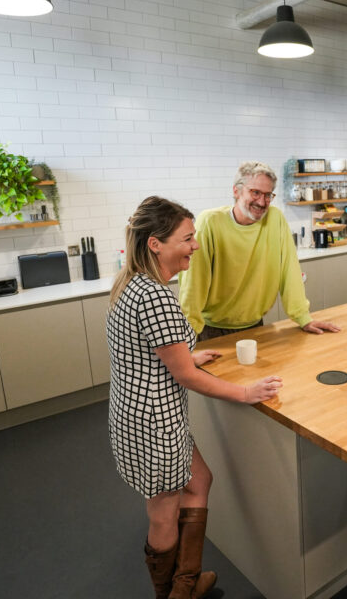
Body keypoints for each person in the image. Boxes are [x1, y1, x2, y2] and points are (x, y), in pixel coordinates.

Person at [106, 196, 283, 599]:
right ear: (156, 244)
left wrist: (186, 352)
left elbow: (150, 350)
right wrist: (244, 392)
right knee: (163, 510)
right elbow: (186, 377)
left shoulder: (131, 283)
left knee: (199, 479)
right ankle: (172, 592)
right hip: (155, 425)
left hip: (135, 416)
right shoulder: (156, 297)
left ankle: (186, 582)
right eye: (187, 239)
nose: (195, 246)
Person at [179, 161, 340, 341]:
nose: (262, 202)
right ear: (236, 191)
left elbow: (290, 270)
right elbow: (193, 283)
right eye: (255, 192)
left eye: (268, 195)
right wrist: (187, 337)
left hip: (255, 326)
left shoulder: (275, 219)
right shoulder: (209, 222)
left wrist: (304, 318)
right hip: (210, 330)